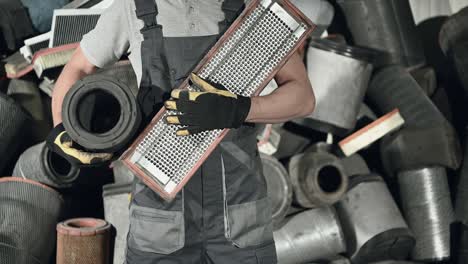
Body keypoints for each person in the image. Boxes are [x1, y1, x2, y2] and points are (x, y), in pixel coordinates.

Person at [47, 0, 315, 263]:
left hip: (239, 217)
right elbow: (78, 68)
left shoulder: (252, 7)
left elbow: (302, 97)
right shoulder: (133, 7)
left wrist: (237, 109)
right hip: (159, 219)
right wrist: (61, 128)